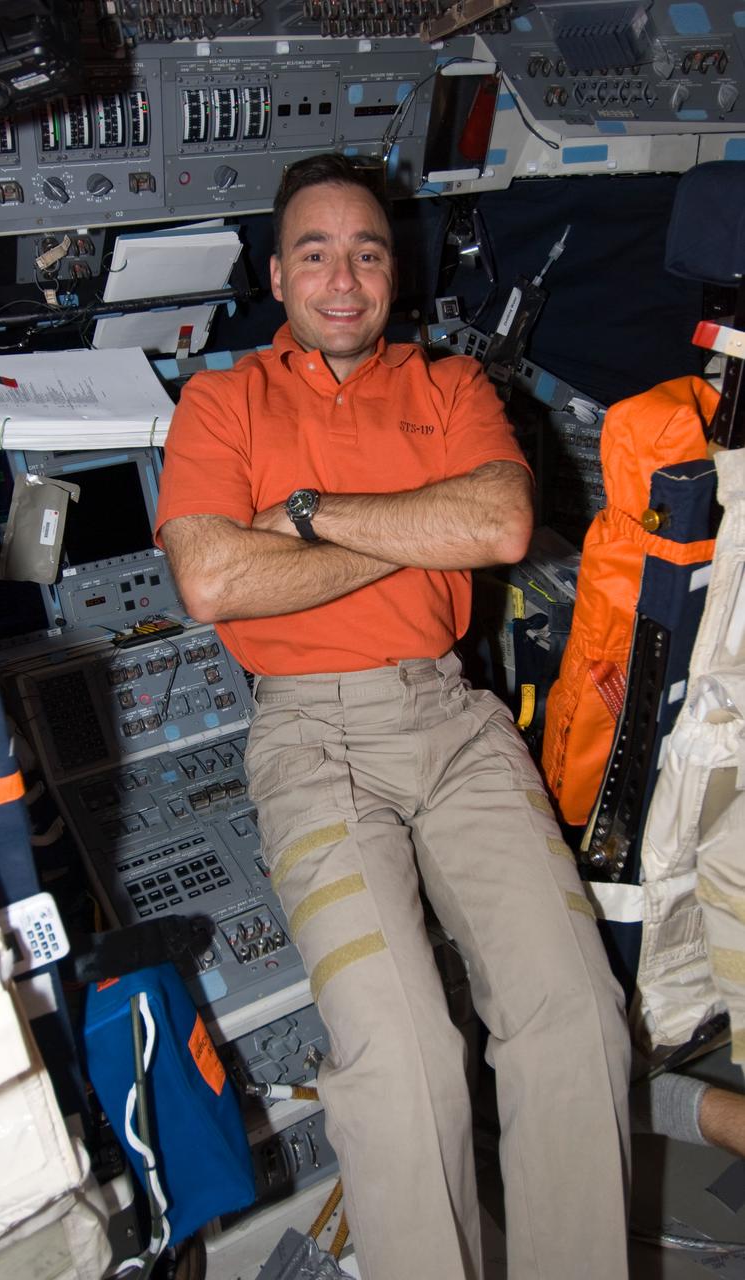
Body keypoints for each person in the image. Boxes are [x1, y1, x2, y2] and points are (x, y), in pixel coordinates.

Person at [155, 153, 631, 1280]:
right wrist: (420, 526)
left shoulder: (454, 389)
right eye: (314, 252)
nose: (342, 276)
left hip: (453, 718)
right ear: (278, 276)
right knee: (406, 1051)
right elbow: (216, 580)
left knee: (576, 1016)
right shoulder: (223, 402)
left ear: (394, 274)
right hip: (310, 738)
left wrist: (308, 520)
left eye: (367, 252)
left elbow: (503, 524)